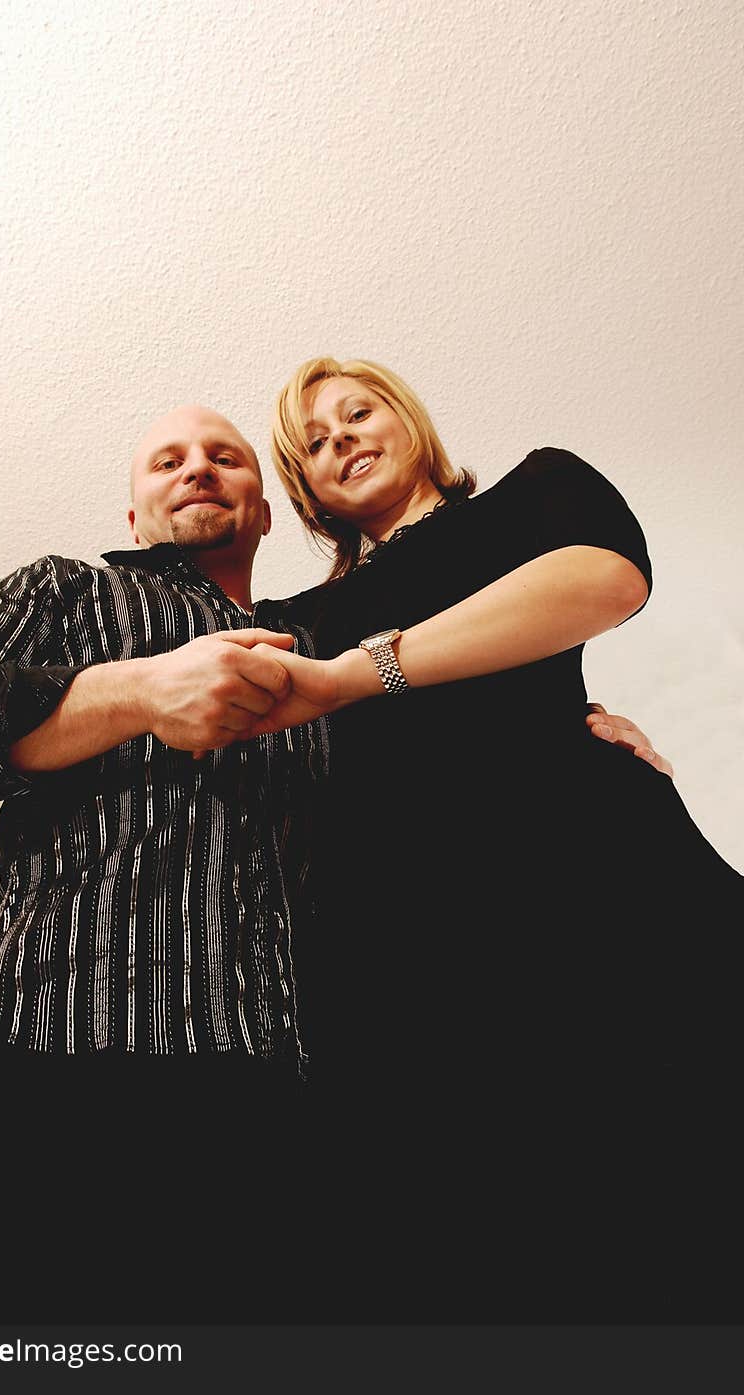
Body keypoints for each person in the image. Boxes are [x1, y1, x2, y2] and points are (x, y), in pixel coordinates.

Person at [0, 401, 672, 1326]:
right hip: (54, 1057)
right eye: (167, 461)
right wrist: (136, 689)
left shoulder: (320, 637)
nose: (197, 468)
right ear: (134, 517)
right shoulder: (64, 592)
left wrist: (584, 736)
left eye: (226, 458)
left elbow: (446, 741)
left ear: (265, 513)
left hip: (274, 1105)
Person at [261, 357, 743, 1323]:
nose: (341, 439)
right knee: (507, 1234)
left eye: (358, 413)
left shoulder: (536, 488)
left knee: (694, 1146)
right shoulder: (295, 623)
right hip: (415, 941)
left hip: (595, 873)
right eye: (313, 443)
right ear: (305, 489)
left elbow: (603, 578)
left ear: (408, 416)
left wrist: (362, 675)